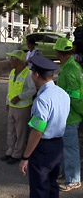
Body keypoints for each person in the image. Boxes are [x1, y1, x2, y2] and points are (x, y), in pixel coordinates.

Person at [19, 55, 70, 198]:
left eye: (31, 72)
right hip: (58, 145)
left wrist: (25, 157)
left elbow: (37, 131)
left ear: (36, 74)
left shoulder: (41, 100)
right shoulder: (63, 94)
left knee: (39, 189)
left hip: (43, 149)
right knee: (52, 185)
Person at [53, 38, 83, 191]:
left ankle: (73, 179)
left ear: (60, 53)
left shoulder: (70, 71)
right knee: (65, 147)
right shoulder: (70, 67)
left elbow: (75, 97)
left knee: (70, 148)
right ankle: (64, 173)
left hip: (70, 116)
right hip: (67, 115)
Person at [0, 50, 36, 165]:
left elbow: (32, 90)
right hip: (12, 106)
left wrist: (20, 97)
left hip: (22, 107)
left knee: (20, 132)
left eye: (12, 59)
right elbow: (10, 89)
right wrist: (7, 102)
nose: (10, 61)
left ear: (19, 61)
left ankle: (17, 154)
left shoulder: (28, 74)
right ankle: (10, 151)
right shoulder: (12, 72)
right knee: (11, 130)